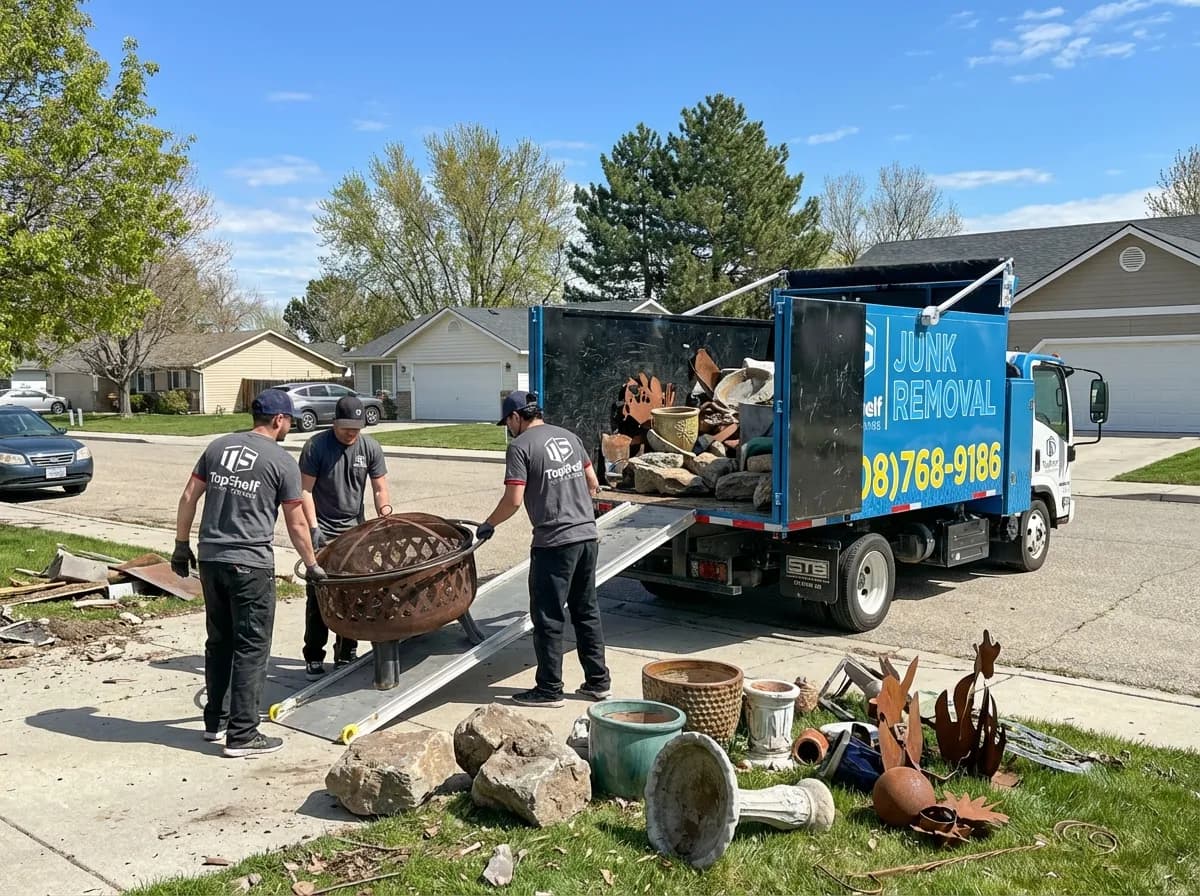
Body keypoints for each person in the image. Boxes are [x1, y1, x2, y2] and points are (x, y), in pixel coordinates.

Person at [173, 388, 325, 758]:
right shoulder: (282, 461)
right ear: (279, 420)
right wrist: (312, 564)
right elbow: (296, 523)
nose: (290, 426)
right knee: (252, 647)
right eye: (289, 420)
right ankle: (243, 734)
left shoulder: (217, 447)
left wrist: (180, 544)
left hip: (211, 560)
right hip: (249, 564)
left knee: (219, 641)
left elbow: (189, 496)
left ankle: (216, 721)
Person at [476, 390, 611, 708]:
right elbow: (593, 482)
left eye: (507, 423)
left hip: (554, 543)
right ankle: (598, 683)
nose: (508, 429)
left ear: (515, 417)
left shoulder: (520, 447)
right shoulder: (570, 437)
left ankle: (549, 690)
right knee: (586, 611)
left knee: (548, 616)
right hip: (587, 538)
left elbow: (513, 500)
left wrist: (489, 524)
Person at [299, 394, 391, 678]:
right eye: (346, 428)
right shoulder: (316, 447)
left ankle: (346, 652)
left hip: (355, 532)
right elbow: (304, 491)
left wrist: (385, 515)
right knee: (319, 596)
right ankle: (314, 655)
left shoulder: (370, 447)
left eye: (357, 428)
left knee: (353, 594)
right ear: (335, 423)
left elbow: (379, 488)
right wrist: (313, 527)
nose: (352, 433)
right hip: (323, 532)